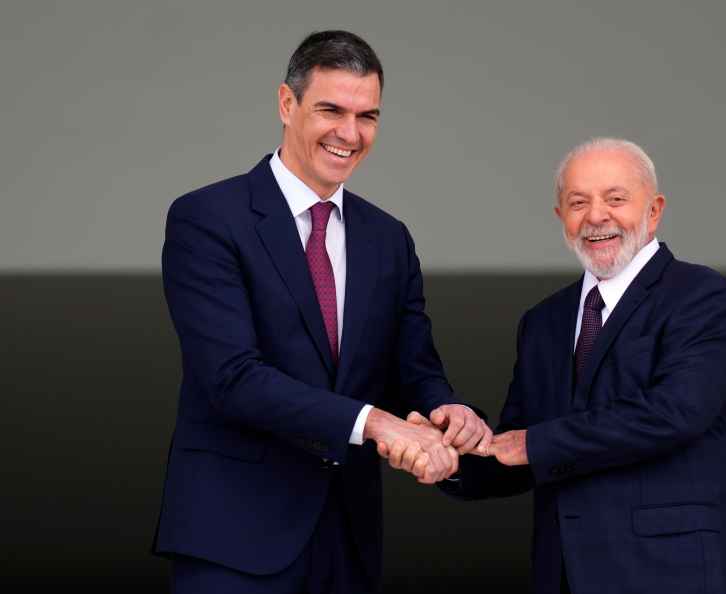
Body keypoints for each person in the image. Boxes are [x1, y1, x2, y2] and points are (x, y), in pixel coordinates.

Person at [152, 30, 491, 594]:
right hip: (235, 536)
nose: (350, 133)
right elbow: (232, 378)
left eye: (367, 116)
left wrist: (446, 412)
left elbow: (415, 371)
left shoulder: (388, 238)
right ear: (287, 104)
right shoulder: (208, 219)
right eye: (331, 109)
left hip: (347, 540)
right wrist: (374, 421)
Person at [391, 138, 726, 593]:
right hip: (565, 573)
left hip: (674, 571)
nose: (596, 216)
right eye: (577, 202)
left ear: (655, 210)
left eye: (615, 199)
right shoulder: (544, 321)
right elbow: (518, 449)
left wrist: (531, 443)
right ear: (561, 217)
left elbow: (675, 412)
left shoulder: (701, 296)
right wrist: (450, 457)